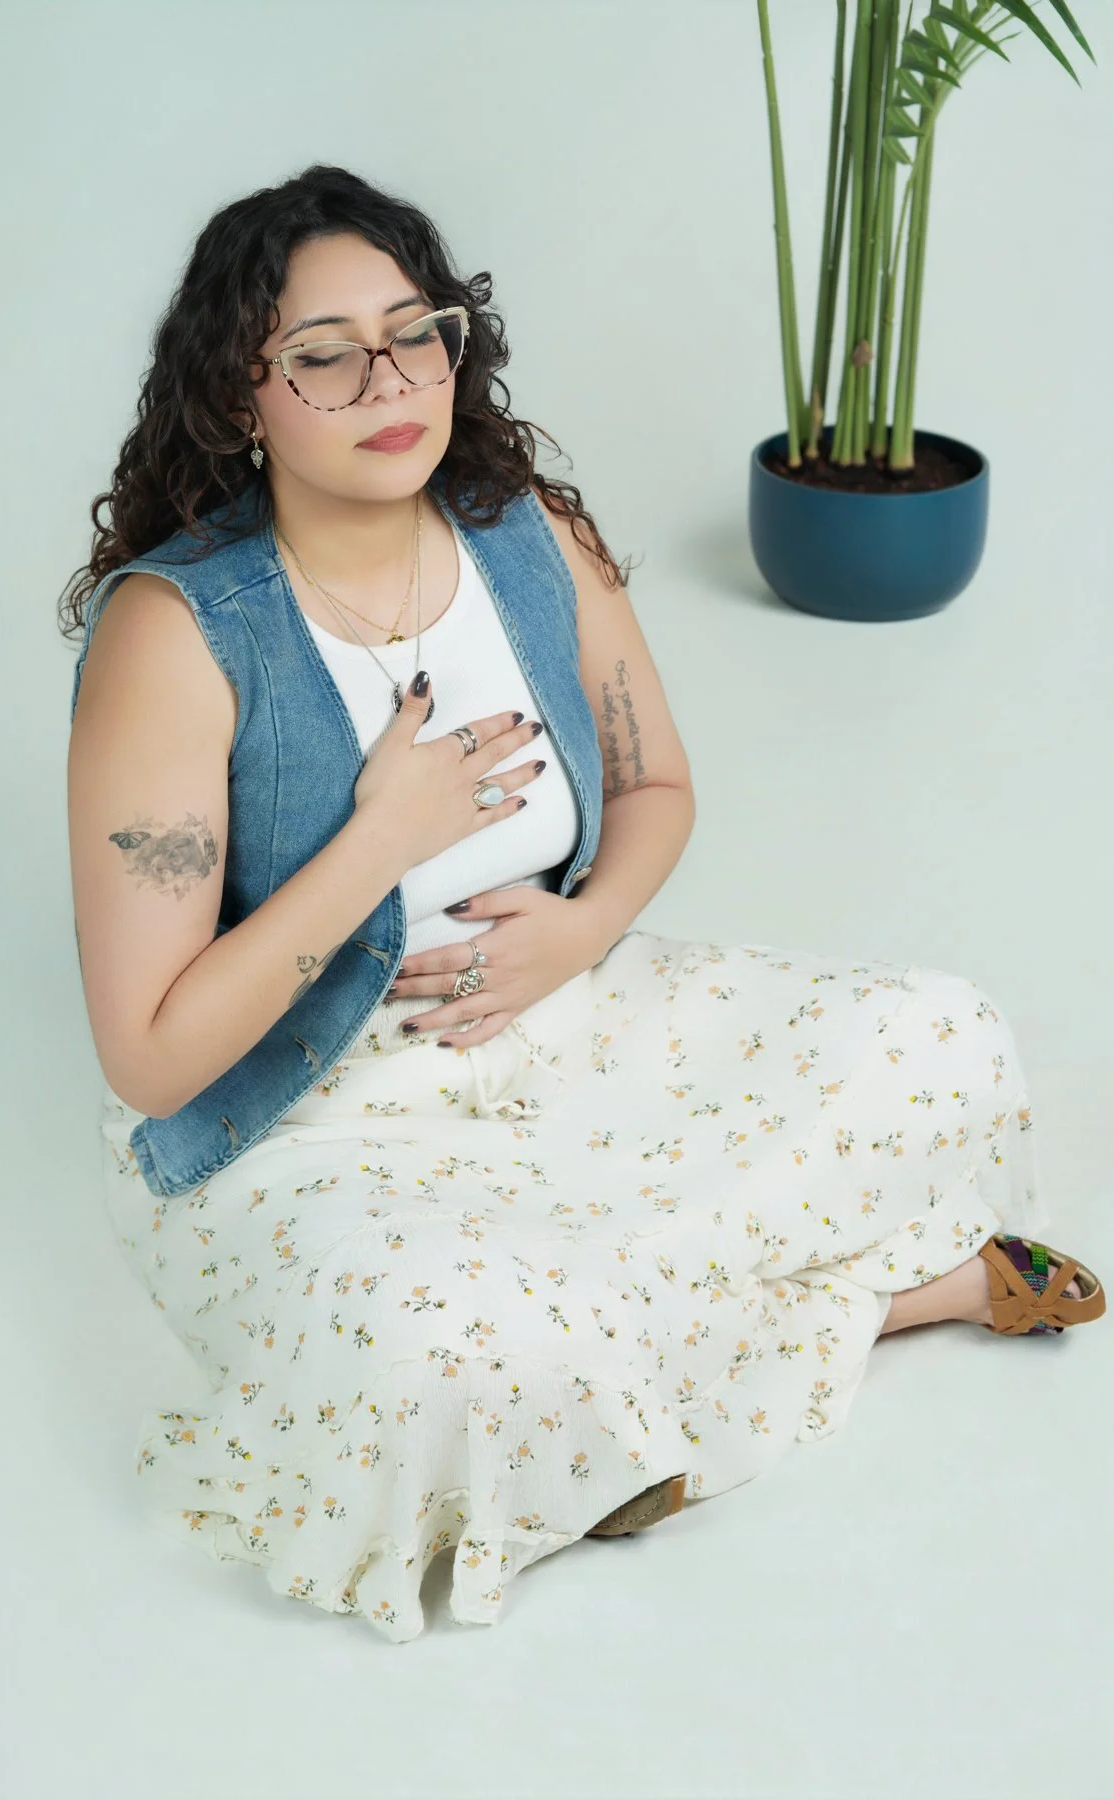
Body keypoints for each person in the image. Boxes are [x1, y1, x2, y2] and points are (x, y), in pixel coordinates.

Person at [63, 163, 1105, 1647]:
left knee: (939, 1038)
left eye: (415, 335)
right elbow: (152, 1056)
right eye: (325, 356)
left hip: (566, 1012)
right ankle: (890, 1301)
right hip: (308, 1108)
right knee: (445, 1345)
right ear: (243, 394)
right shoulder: (177, 632)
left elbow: (658, 785)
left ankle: (607, 1408)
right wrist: (382, 837)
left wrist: (582, 930)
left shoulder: (527, 530)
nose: (388, 383)